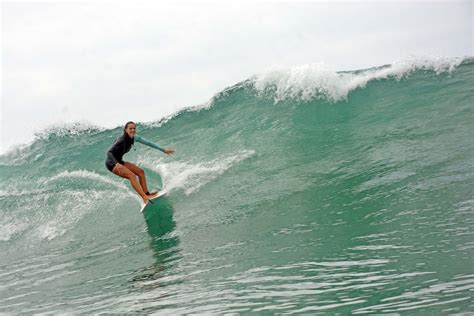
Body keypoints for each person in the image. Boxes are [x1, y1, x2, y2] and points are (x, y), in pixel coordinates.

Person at [105, 121, 175, 203]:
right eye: (130, 128)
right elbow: (109, 152)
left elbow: (148, 143)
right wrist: (116, 164)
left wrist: (163, 150)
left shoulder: (135, 138)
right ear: (125, 130)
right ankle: (144, 197)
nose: (132, 130)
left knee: (140, 172)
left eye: (134, 128)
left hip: (119, 161)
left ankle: (147, 193)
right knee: (132, 175)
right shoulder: (121, 140)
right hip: (111, 163)